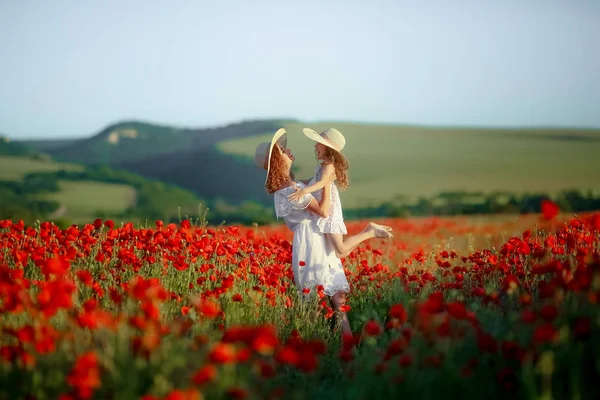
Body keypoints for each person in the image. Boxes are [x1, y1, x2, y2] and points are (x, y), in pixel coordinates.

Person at [289, 127, 393, 258]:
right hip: (326, 208)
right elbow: (313, 180)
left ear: (327, 148)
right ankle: (369, 231)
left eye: (319, 143)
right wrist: (295, 182)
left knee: (341, 249)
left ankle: (370, 232)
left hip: (330, 210)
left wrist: (303, 192)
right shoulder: (324, 165)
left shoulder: (328, 165)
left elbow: (321, 183)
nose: (315, 145)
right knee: (340, 252)